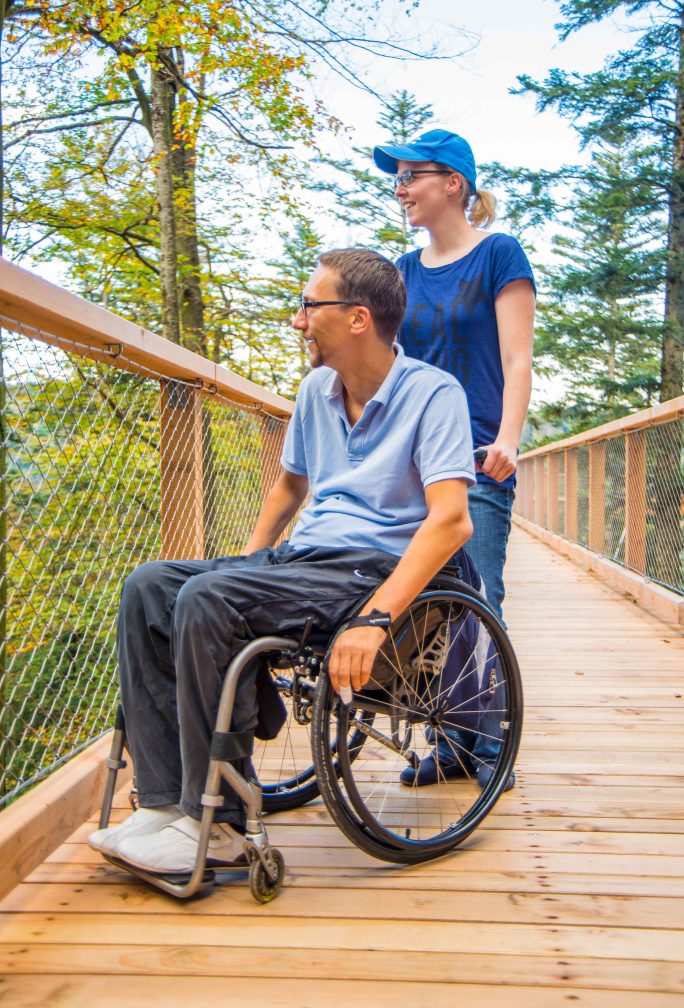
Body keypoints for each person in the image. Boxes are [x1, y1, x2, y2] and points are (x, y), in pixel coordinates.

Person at [88, 247, 478, 875]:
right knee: (151, 585)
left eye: (308, 305)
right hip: (305, 559)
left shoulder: (434, 394)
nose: (298, 320)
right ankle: (163, 804)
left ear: (357, 318)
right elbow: (289, 491)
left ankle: (216, 824)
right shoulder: (315, 391)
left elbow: (451, 520)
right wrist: (242, 569)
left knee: (208, 599)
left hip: (371, 570)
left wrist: (375, 619)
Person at [372, 128, 536, 789]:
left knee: (480, 595)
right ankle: (452, 744)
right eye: (398, 179)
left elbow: (518, 357)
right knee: (427, 597)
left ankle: (488, 747)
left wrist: (510, 438)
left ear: (454, 184)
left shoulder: (498, 254)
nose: (401, 189)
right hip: (415, 458)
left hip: (478, 456)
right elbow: (389, 367)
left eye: (413, 176)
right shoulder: (401, 274)